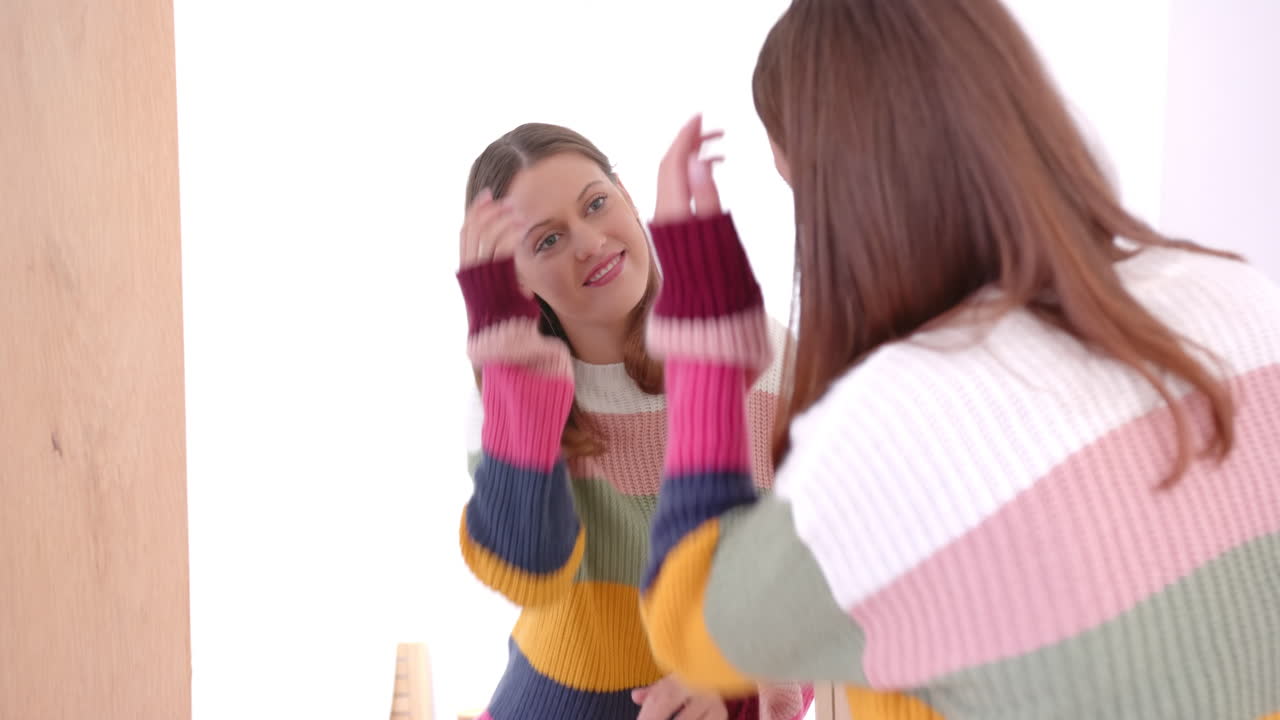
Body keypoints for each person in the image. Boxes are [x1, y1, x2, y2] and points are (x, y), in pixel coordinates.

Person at [634, 1, 1280, 718]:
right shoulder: (1248, 302)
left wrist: (704, 325)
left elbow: (689, 623)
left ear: (842, 196)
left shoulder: (899, 424)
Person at [455, 123, 812, 720]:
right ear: (516, 279)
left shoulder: (759, 354)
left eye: (597, 203)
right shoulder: (505, 400)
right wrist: (523, 385)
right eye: (547, 241)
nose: (590, 242)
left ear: (625, 192)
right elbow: (528, 573)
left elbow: (824, 563)